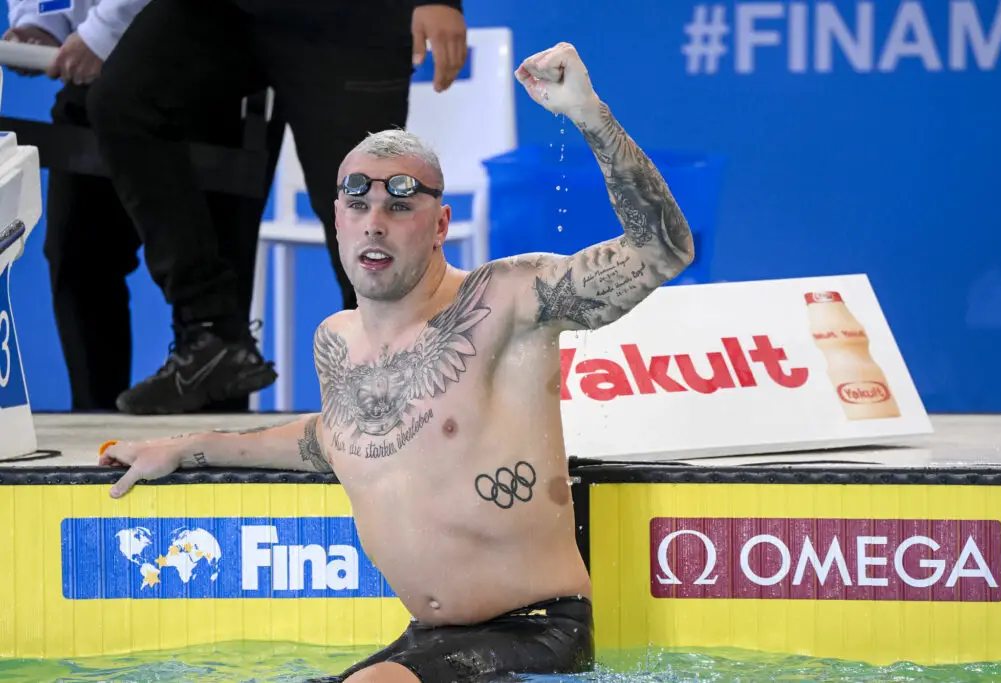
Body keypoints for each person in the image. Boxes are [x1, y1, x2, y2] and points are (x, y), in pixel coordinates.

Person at [98, 42, 696, 682]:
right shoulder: (336, 340)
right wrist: (185, 448)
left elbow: (663, 250)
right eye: (358, 206)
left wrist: (589, 115)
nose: (374, 224)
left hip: (536, 632)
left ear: (440, 225)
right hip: (426, 643)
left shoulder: (508, 300)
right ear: (337, 219)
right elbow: (330, 439)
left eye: (400, 207)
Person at [83, 0, 468, 415]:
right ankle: (211, 333)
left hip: (350, 20)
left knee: (362, 194)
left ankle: (389, 375)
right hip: (228, 12)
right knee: (124, 97)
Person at [3, 0, 281, 412]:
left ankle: (217, 432)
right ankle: (93, 429)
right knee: (79, 258)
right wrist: (41, 21)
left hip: (201, 61)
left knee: (217, 319)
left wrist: (100, 34)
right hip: (97, 65)